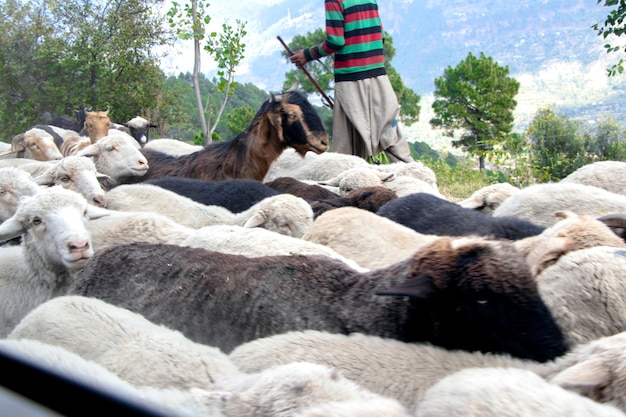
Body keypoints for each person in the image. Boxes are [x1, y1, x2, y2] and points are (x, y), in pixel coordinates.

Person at [290, 0, 414, 163]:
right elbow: (380, 34)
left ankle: (349, 185)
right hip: (378, 74)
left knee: (346, 150)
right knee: (391, 134)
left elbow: (336, 41)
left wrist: (308, 54)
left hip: (350, 79)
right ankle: (415, 178)